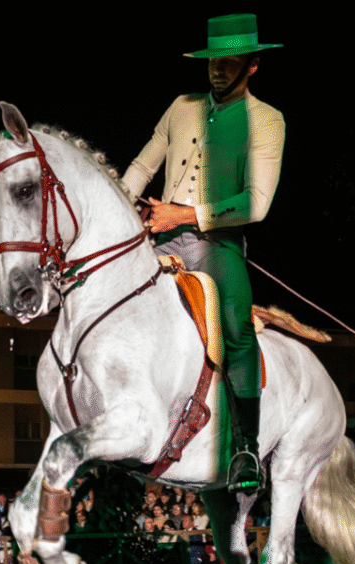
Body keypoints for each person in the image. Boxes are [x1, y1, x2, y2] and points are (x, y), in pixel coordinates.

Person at [122, 13, 284, 494]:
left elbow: (256, 203)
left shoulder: (267, 120)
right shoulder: (181, 105)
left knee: (234, 330)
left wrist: (185, 215)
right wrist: (123, 206)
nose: (217, 68)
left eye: (229, 60)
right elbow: (142, 164)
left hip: (218, 245)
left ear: (252, 65)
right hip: (159, 236)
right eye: (212, 59)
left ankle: (247, 448)